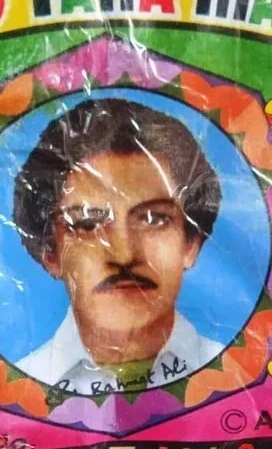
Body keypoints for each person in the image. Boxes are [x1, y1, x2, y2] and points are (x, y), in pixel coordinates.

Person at [14, 98, 222, 393]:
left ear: (190, 243)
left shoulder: (242, 372)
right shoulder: (10, 388)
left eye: (153, 219)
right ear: (50, 252)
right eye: (87, 224)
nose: (124, 255)